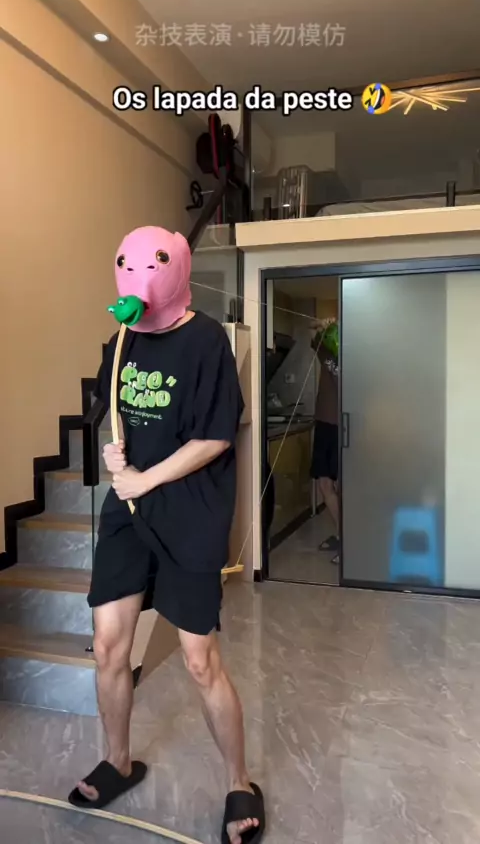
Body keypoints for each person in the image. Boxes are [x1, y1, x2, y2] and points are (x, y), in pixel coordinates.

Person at [68, 226, 265, 844]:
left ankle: (239, 782)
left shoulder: (205, 340)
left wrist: (146, 477)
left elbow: (216, 437)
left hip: (190, 511)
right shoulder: (123, 337)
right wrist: (114, 451)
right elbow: (116, 408)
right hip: (129, 509)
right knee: (108, 647)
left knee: (199, 659)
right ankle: (119, 761)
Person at [310, 320, 340, 563]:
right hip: (325, 424)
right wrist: (326, 325)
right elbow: (315, 337)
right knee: (324, 483)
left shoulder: (361, 356)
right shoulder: (327, 350)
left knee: (347, 488)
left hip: (345, 425)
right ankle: (343, 535)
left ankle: (351, 542)